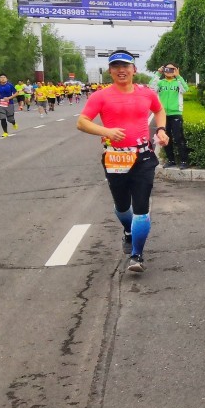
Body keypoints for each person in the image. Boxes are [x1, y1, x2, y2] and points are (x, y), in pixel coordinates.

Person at [77, 50, 168, 273]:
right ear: (110, 71)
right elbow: (82, 122)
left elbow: (159, 110)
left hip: (143, 156)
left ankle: (137, 254)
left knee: (141, 208)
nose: (121, 70)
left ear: (134, 70)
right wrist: (106, 130)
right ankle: (128, 230)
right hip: (115, 157)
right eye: (116, 66)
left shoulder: (146, 93)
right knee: (122, 206)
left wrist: (162, 129)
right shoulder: (100, 96)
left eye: (125, 66)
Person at [150, 64, 190, 169]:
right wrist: (158, 73)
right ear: (163, 70)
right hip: (162, 115)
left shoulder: (178, 82)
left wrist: (178, 76)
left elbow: (185, 89)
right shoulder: (160, 82)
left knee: (179, 138)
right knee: (165, 138)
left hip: (176, 113)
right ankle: (171, 160)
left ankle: (184, 161)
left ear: (175, 70)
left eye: (172, 69)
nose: (169, 71)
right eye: (166, 69)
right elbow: (151, 88)